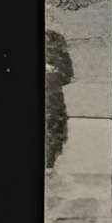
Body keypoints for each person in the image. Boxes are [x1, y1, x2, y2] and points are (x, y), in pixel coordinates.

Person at [44, 25, 73, 172]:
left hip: (53, 101)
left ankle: (49, 165)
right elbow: (67, 75)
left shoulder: (56, 39)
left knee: (54, 130)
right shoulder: (56, 39)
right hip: (54, 100)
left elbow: (67, 74)